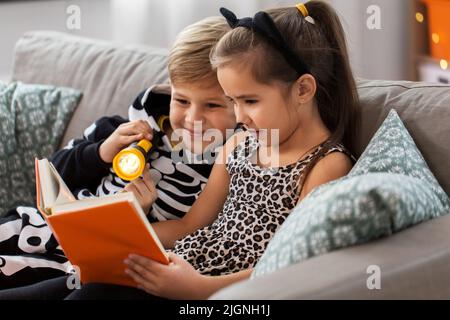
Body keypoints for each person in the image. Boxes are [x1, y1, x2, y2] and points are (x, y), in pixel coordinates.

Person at [1, 0, 360, 300]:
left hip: (207, 289)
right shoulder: (240, 144)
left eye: (250, 100)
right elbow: (191, 224)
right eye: (233, 102)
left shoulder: (327, 165)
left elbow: (292, 264)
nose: (239, 117)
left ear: (303, 90)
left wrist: (197, 289)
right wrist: (115, 238)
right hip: (171, 266)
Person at [0, 16, 235, 290]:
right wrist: (101, 152)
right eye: (181, 100)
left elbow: (194, 235)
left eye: (212, 105)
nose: (194, 118)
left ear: (239, 102)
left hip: (92, 259)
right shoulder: (122, 130)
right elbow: (51, 176)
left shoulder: (228, 166)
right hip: (44, 226)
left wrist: (134, 217)